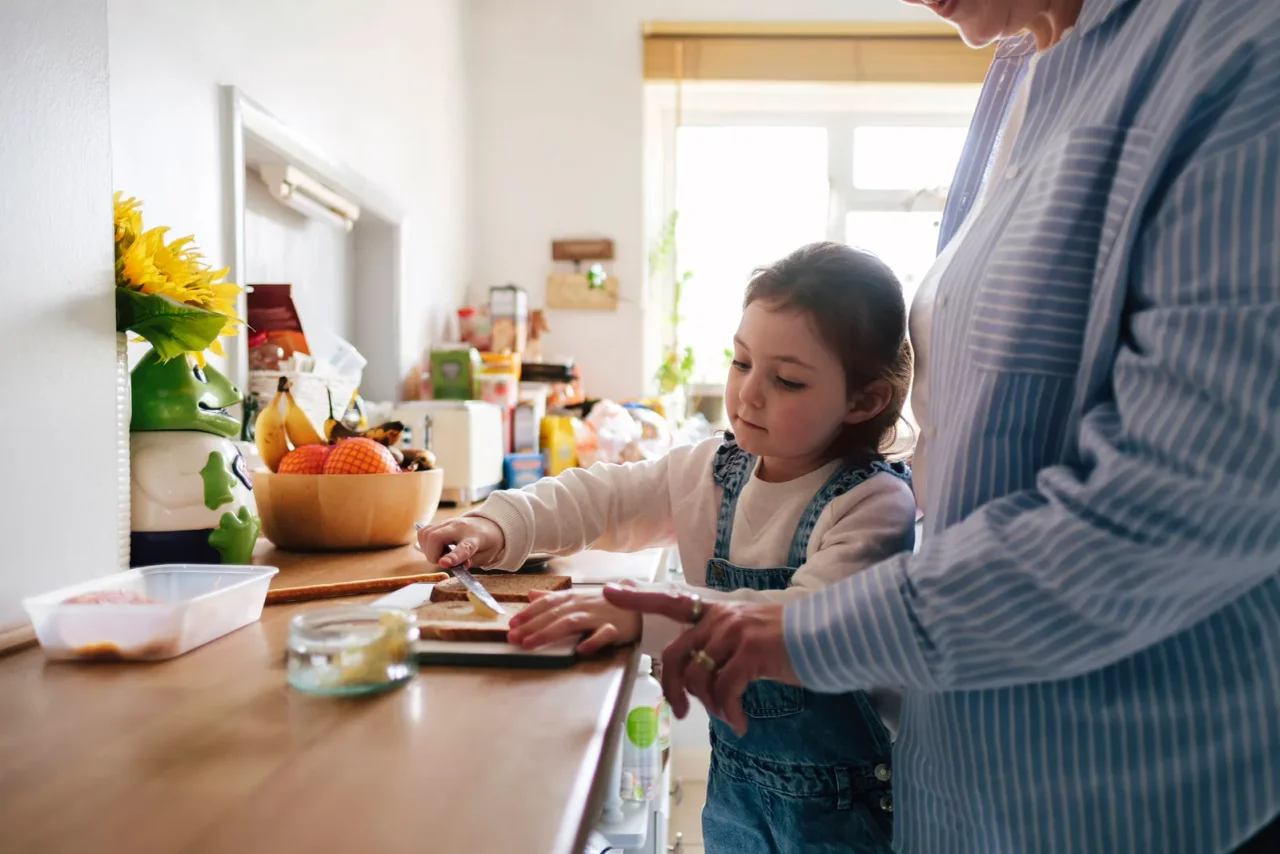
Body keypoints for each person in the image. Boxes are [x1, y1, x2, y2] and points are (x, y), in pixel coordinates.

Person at [605, 0, 1280, 852]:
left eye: (785, 376)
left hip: (1121, 797)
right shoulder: (1017, 64)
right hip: (959, 781)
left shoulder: (1238, 50)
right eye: (743, 364)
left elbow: (1178, 506)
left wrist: (786, 627)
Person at [419, 243, 918, 852]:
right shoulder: (712, 469)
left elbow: (801, 625)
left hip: (844, 809)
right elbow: (603, 497)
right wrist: (498, 525)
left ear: (863, 401)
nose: (748, 395)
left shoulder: (872, 505)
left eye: (786, 379)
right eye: (740, 363)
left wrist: (645, 611)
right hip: (737, 788)